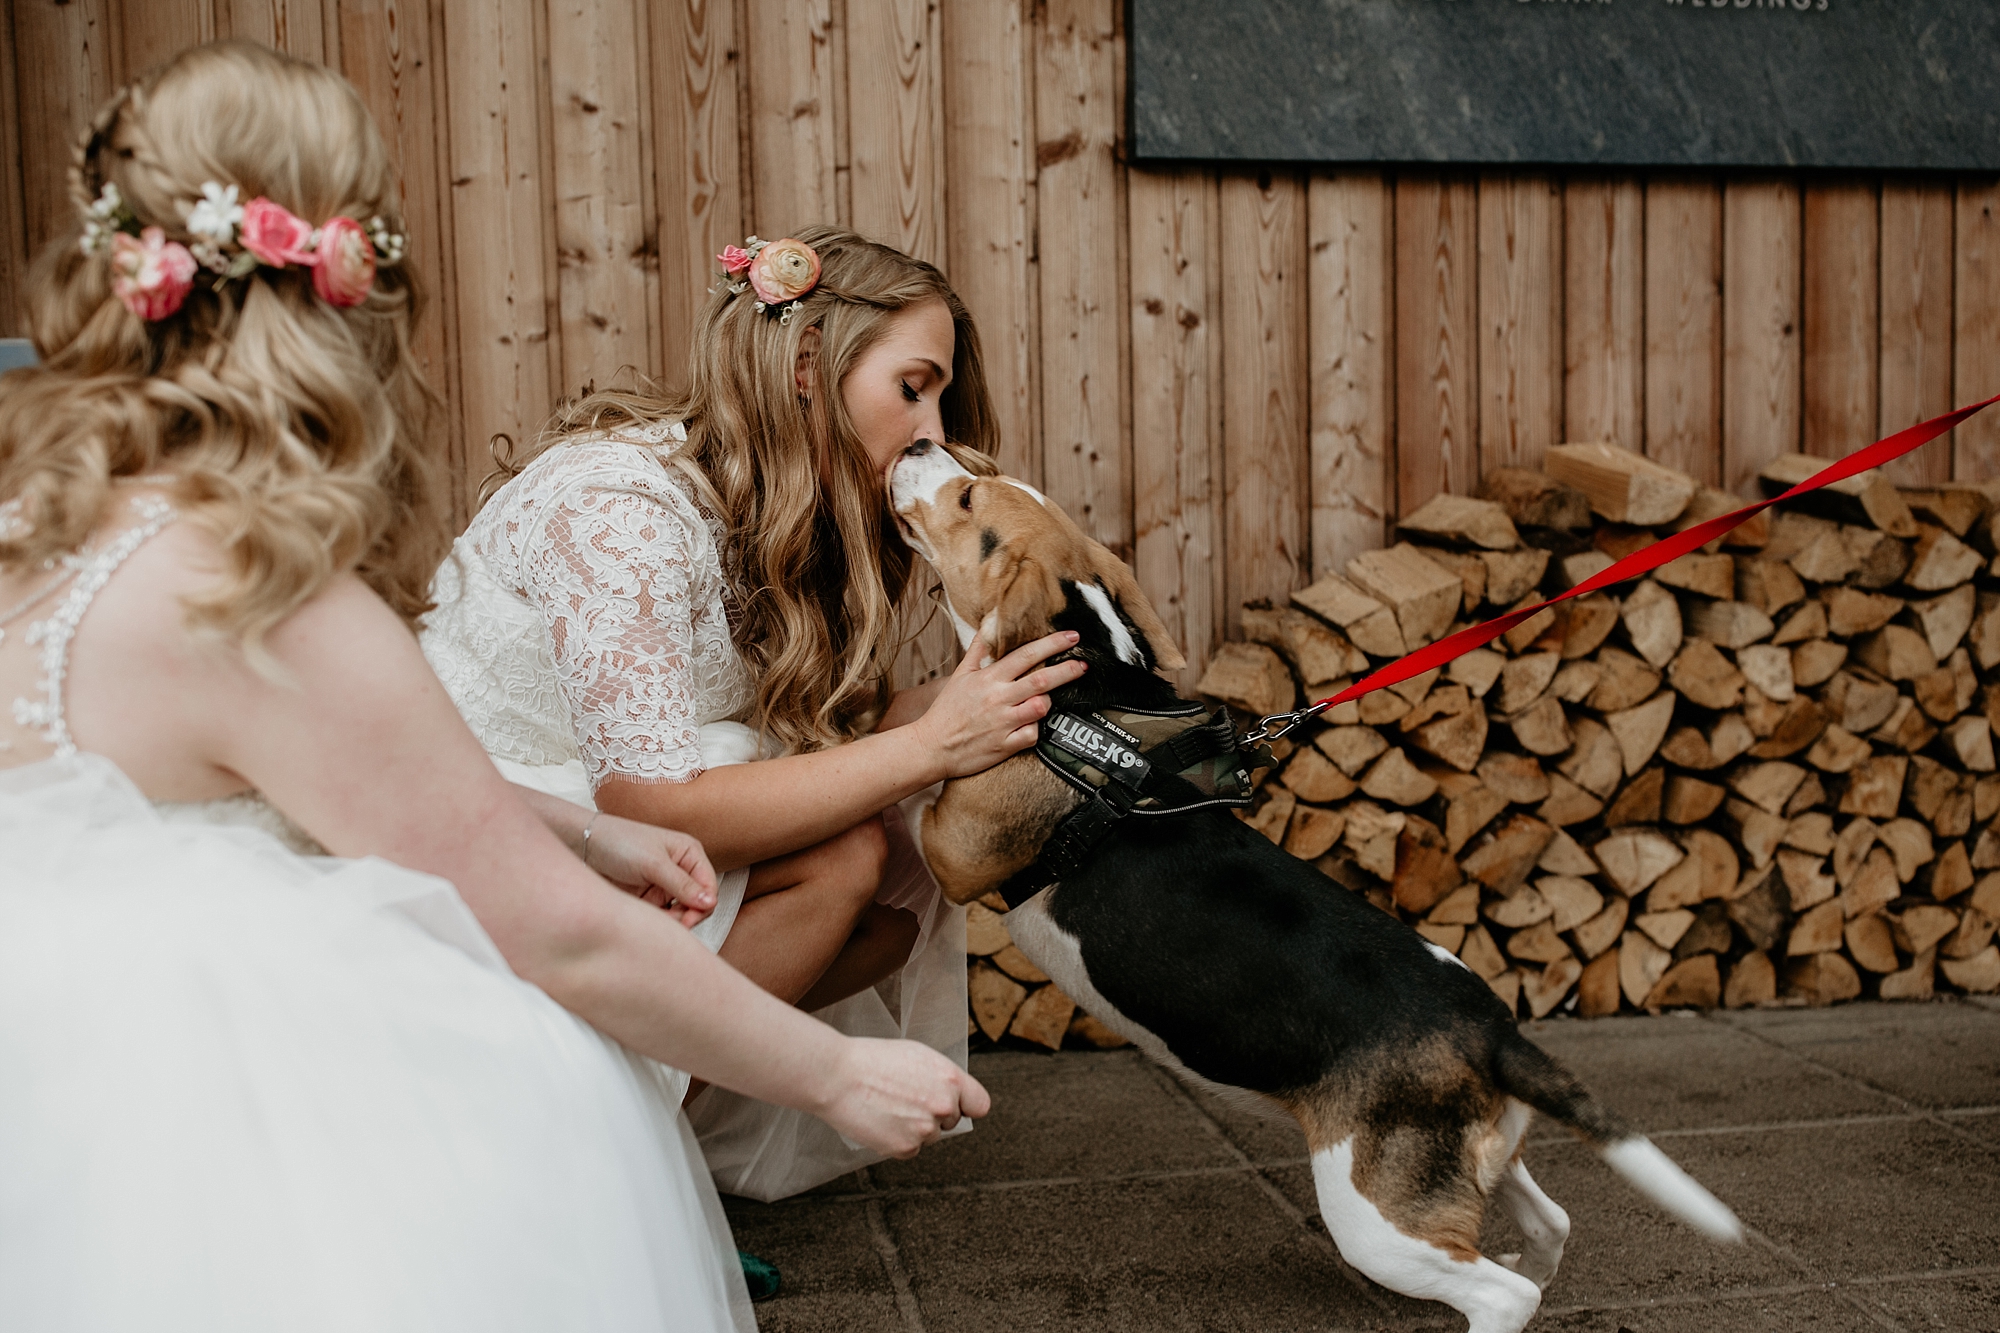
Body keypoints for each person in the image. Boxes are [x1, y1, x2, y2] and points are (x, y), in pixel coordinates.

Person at [0, 42, 986, 1331]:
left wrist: (578, 823)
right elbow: (561, 934)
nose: (931, 426)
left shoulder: (38, 539)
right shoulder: (267, 597)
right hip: (240, 1076)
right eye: (912, 387)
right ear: (350, 299)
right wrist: (839, 1072)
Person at [420, 227, 1085, 1199]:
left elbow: (834, 743)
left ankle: (630, 1131)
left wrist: (987, 692)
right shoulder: (620, 507)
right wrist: (936, 741)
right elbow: (647, 806)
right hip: (483, 823)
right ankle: (581, 1166)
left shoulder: (776, 516)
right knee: (847, 853)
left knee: (903, 873)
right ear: (808, 363)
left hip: (620, 820)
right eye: (913, 386)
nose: (933, 429)